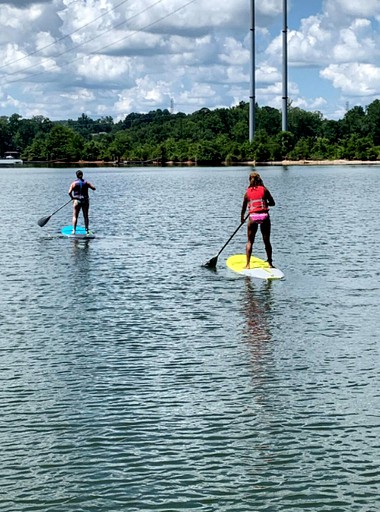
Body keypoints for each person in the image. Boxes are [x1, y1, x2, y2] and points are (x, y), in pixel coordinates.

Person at [241, 172, 275, 269]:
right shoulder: (264, 189)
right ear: (260, 179)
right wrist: (265, 203)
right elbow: (273, 203)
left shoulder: (247, 192)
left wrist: (242, 218)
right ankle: (270, 263)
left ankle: (247, 265)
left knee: (250, 241)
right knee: (266, 240)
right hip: (264, 216)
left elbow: (243, 208)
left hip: (253, 217)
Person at [68, 170, 96, 234]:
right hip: (85, 201)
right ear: (82, 175)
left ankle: (74, 230)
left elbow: (69, 192)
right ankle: (87, 230)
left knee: (75, 216)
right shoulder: (86, 183)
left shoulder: (73, 183)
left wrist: (72, 198)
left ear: (76, 175)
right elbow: (94, 188)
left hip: (76, 201)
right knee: (85, 216)